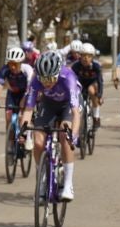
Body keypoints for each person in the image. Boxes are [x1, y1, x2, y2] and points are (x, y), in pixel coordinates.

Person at [27, 52, 83, 199]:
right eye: (43, 79)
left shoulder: (68, 78)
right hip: (49, 103)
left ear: (57, 73)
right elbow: (28, 109)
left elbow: (75, 113)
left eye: (51, 79)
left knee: (65, 134)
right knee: (38, 141)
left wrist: (74, 136)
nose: (47, 83)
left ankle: (68, 184)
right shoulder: (36, 81)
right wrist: (23, 132)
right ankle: (41, 179)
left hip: (67, 105)